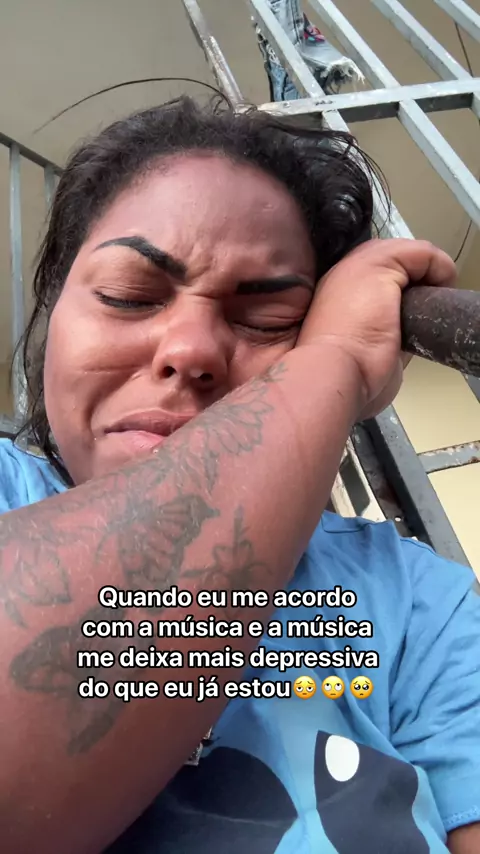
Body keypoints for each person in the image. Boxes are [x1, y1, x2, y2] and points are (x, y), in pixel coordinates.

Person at [0, 96, 478, 854]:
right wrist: (336, 359)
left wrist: (328, 364)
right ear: (54, 315)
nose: (191, 350)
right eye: (129, 296)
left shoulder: (420, 600)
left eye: (269, 320)